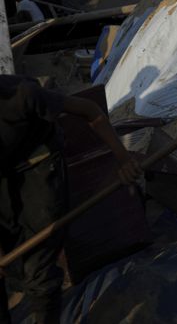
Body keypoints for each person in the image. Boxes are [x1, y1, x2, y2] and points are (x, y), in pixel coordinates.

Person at [0, 75, 142, 323]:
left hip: (38, 162)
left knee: (38, 266)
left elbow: (91, 111)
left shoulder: (22, 95)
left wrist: (124, 159)